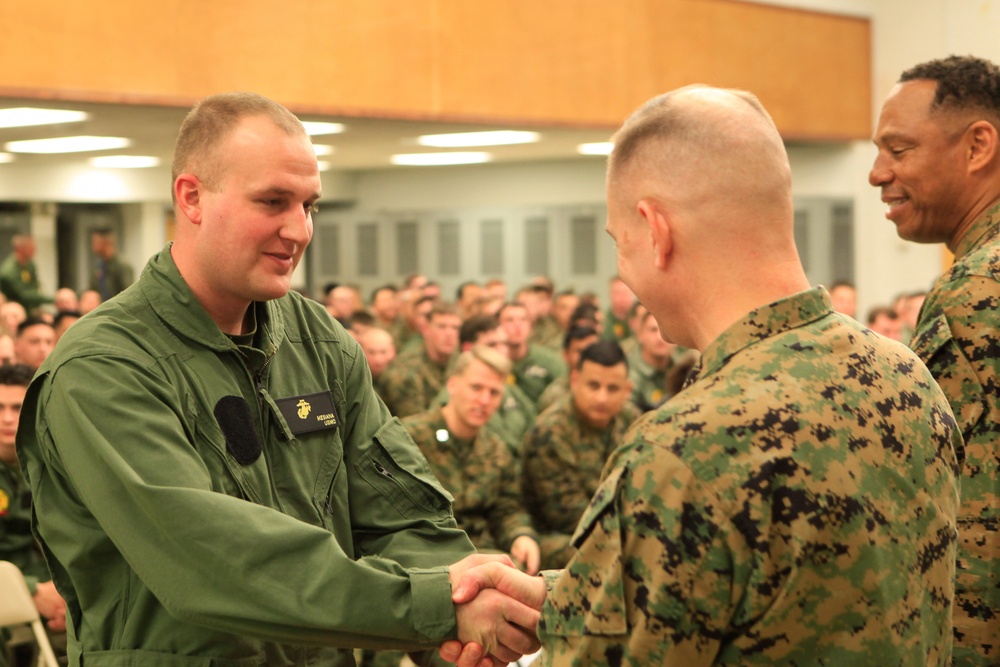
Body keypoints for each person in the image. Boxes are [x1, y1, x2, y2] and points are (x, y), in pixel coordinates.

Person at [16, 92, 540, 667]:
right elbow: (213, 563)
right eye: (272, 201)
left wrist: (461, 623)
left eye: (309, 205)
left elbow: (400, 510)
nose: (299, 230)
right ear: (191, 198)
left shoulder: (315, 340)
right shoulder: (104, 367)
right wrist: (435, 607)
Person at [448, 85, 962, 666]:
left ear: (656, 229)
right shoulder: (907, 378)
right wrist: (565, 596)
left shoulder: (681, 451)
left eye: (621, 241)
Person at [869, 54, 1000, 664]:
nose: (877, 173)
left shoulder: (976, 292)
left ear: (978, 147)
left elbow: (965, 522)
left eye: (899, 150)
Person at [521, 340, 639, 569]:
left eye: (612, 388)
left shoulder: (632, 422)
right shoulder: (550, 432)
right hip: (560, 536)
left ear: (627, 390)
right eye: (593, 386)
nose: (601, 398)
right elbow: (569, 516)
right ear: (575, 381)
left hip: (620, 528)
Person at [0, 364, 66, 667]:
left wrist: (67, 589)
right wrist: (29, 591)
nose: (8, 418)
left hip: (46, 583)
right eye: (0, 408)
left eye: (18, 407)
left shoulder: (53, 459)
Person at [379, 302, 461, 418]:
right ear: (426, 329)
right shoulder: (406, 369)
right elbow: (413, 426)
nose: (449, 333)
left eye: (455, 328)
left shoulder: (460, 363)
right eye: (442, 327)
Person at [497, 302, 565, 406]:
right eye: (509, 320)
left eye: (523, 320)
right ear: (498, 325)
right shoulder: (492, 360)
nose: (517, 325)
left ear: (530, 325)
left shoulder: (549, 360)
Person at [535, 325, 599, 414]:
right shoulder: (553, 396)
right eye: (580, 351)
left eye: (592, 350)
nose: (587, 357)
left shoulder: (613, 390)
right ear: (566, 355)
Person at [0, 235, 51, 312]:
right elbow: (23, 295)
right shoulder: (9, 271)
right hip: (14, 310)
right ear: (21, 249)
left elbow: (34, 286)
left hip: (30, 308)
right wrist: (52, 300)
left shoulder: (30, 265)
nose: (35, 250)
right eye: (31, 247)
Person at [89, 228, 135, 301]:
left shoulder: (122, 266)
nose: (92, 247)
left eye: (95, 242)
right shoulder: (98, 267)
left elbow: (128, 295)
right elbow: (92, 291)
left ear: (105, 243)